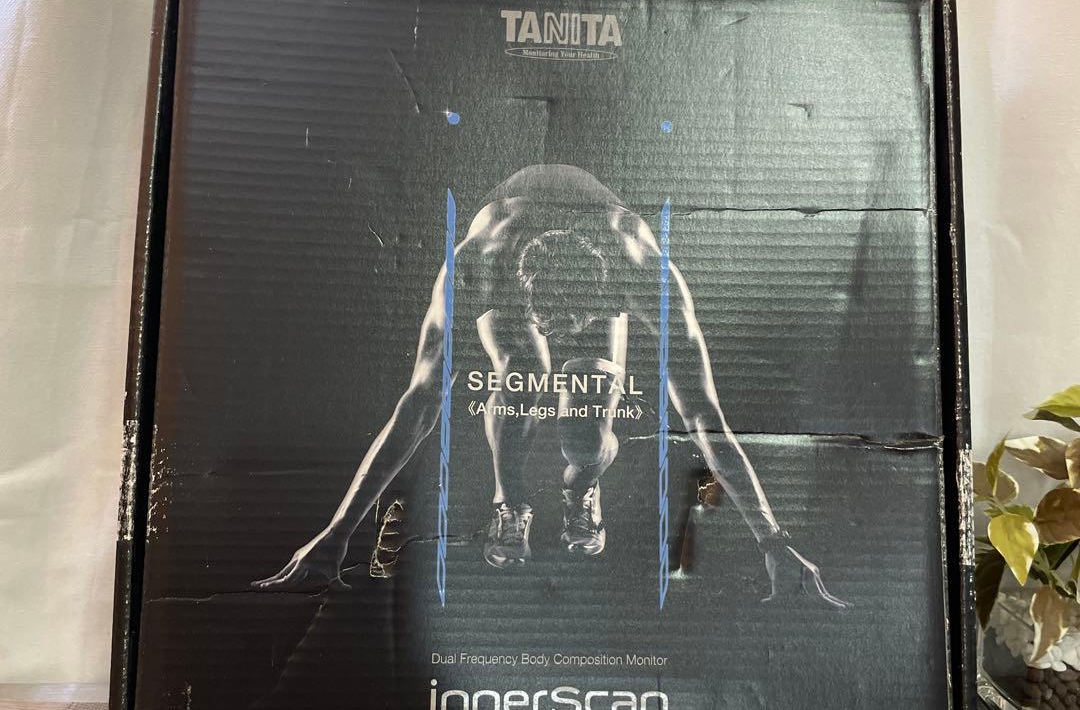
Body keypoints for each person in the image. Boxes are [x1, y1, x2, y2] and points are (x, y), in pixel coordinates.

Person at [253, 164, 845, 608]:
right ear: (523, 294)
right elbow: (420, 403)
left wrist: (773, 538)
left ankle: (582, 483)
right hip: (513, 244)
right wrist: (336, 533)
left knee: (585, 420)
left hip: (593, 251)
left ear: (610, 301)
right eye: (551, 325)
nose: (561, 339)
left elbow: (702, 416)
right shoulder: (476, 268)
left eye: (575, 326)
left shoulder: (645, 277)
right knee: (523, 376)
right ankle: (509, 501)